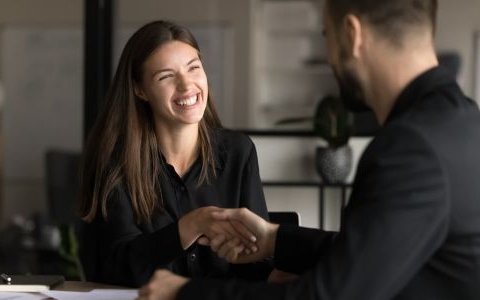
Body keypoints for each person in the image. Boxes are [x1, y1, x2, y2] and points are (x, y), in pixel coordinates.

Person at [138, 0, 480, 299]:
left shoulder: (410, 150)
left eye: (326, 36)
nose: (330, 54)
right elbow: (368, 254)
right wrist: (273, 239)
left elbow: (324, 295)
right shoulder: (462, 122)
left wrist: (182, 294)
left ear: (352, 34)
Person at [77, 20, 271, 287]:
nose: (186, 85)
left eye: (194, 68)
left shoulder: (239, 152)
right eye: (166, 76)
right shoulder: (116, 161)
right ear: (140, 90)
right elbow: (114, 268)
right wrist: (191, 225)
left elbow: (259, 266)